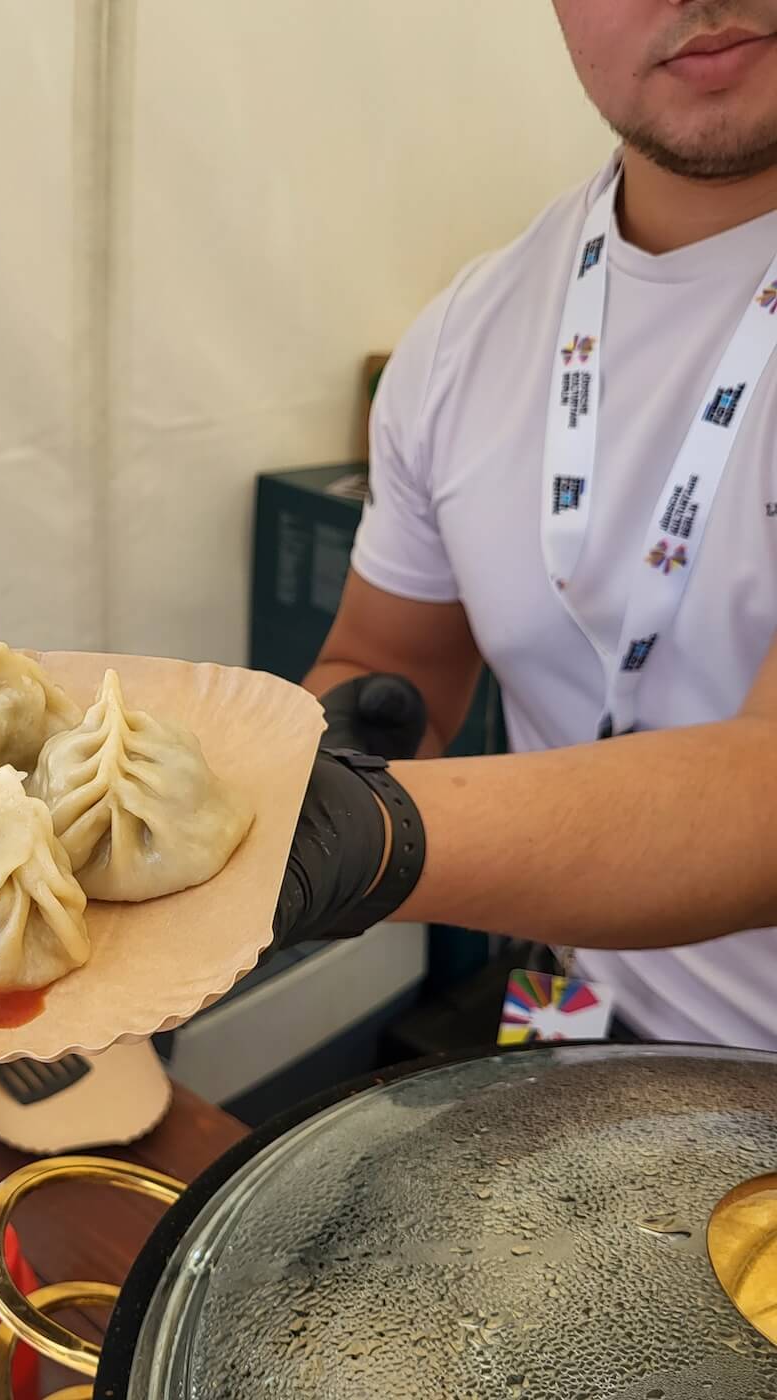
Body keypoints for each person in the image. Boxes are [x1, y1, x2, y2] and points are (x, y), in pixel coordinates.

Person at [273, 0, 777, 1050]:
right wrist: (312, 756)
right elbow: (381, 655)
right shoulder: (464, 334)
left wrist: (372, 834)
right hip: (572, 1019)